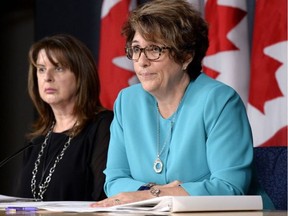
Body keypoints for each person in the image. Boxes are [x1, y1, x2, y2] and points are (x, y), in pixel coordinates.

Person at [92, 0, 274, 209]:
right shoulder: (127, 101)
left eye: (154, 49)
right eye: (136, 49)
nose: (141, 61)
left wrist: (150, 194)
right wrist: (157, 194)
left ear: (186, 56)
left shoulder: (219, 100)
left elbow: (229, 187)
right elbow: (114, 180)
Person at [16, 34, 113, 201]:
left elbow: (104, 199)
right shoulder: (37, 139)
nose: (47, 77)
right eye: (41, 69)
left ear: (81, 74)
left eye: (59, 68)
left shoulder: (102, 126)